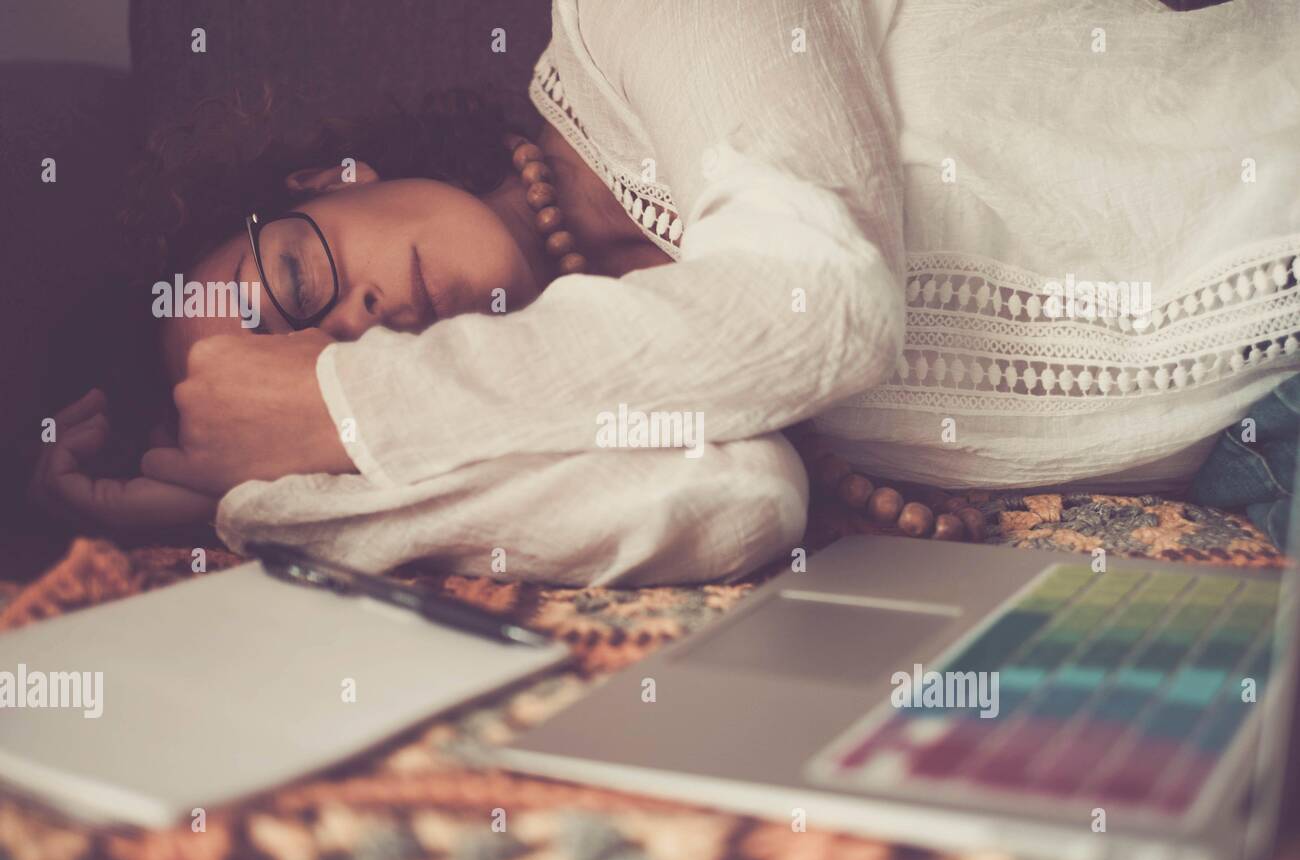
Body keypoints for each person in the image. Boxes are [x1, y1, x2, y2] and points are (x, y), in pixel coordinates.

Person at [35, 0, 1300, 585]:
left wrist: (342, 409)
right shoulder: (623, 357)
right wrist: (272, 498)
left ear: (333, 175)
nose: (355, 334)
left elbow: (821, 300)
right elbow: (729, 498)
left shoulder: (641, 16)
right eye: (316, 363)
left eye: (300, 282)